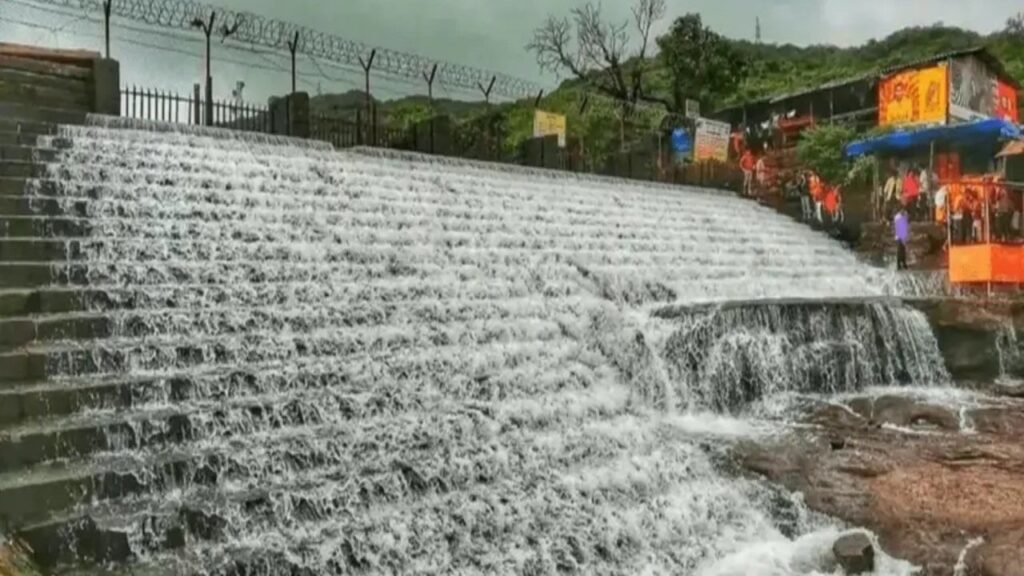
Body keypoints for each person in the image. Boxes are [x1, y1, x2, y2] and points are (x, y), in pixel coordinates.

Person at [894, 206, 909, 270]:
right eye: (902, 210)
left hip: (903, 235)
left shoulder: (904, 215)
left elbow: (906, 224)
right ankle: (898, 264)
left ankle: (903, 263)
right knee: (899, 251)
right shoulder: (898, 217)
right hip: (900, 236)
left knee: (903, 250)